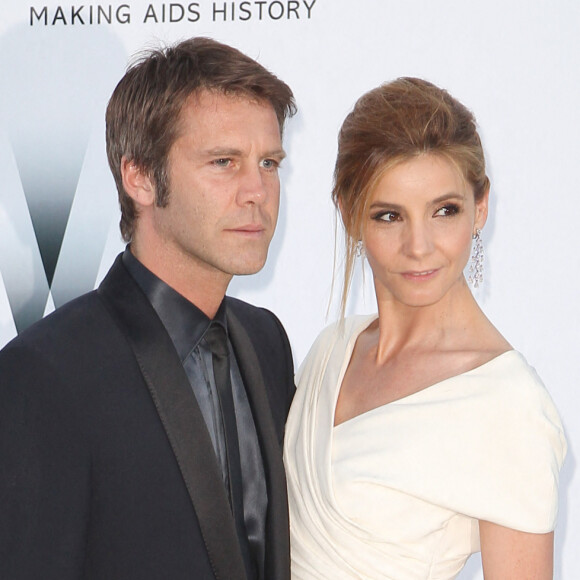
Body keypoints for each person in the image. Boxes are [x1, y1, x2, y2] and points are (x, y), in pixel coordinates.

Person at [0, 37, 296, 580]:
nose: (257, 190)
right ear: (138, 177)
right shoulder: (44, 374)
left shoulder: (266, 342)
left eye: (270, 162)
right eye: (224, 162)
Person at [284, 78, 566, 579]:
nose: (419, 246)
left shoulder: (505, 404)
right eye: (389, 215)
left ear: (480, 207)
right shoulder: (332, 348)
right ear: (350, 215)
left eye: (444, 211)